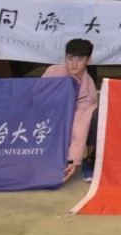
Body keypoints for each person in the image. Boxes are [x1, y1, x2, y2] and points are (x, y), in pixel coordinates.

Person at [41, 38, 96, 183]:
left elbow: (80, 125)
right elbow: (36, 98)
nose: (74, 64)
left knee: (95, 117)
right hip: (47, 118)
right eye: (70, 58)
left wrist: (73, 158)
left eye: (80, 59)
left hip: (70, 123)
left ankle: (89, 161)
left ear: (88, 60)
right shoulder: (52, 72)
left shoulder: (88, 89)